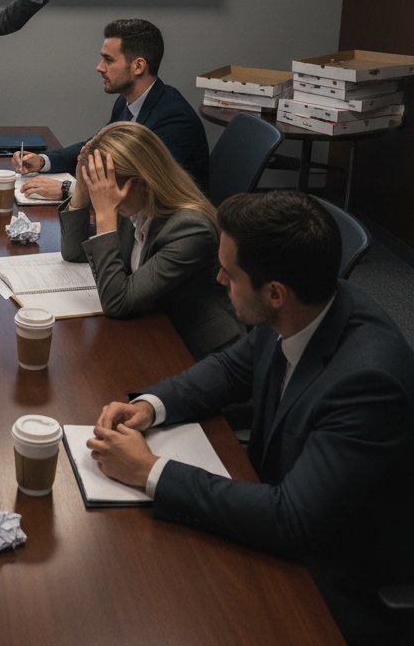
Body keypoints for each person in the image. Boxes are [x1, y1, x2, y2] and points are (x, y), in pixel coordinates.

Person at [87, 191, 414, 645]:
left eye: (229, 273)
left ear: (275, 293)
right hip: (275, 507)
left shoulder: (366, 383)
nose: (217, 277)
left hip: (331, 578)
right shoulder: (305, 307)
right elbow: (229, 368)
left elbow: (292, 521)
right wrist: (150, 406)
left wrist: (149, 471)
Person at [59, 122, 242, 359]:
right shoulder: (137, 207)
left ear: (140, 183)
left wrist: (105, 214)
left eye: (105, 188)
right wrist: (82, 190)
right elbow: (74, 252)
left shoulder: (190, 228)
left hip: (201, 352)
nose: (101, 197)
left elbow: (117, 302)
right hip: (155, 330)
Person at [15, 18, 209, 197]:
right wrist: (43, 161)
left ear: (138, 66)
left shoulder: (174, 119)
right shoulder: (126, 102)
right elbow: (94, 150)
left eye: (108, 60)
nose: (99, 67)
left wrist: (68, 189)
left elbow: (144, 188)